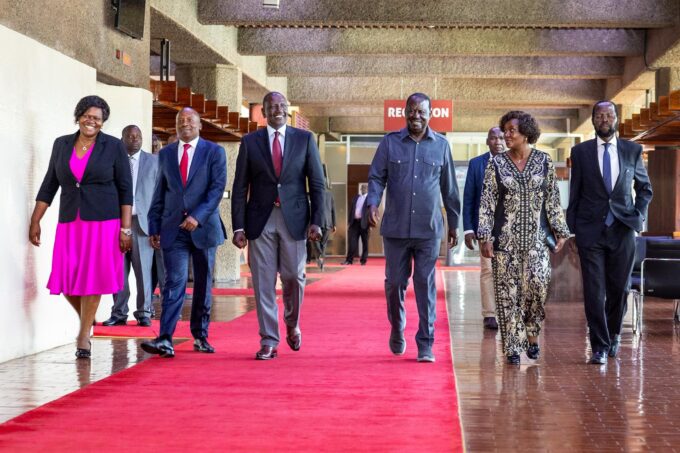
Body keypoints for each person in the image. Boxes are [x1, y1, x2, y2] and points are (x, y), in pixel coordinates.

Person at [29, 95, 133, 359]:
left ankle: (83, 335)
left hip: (103, 223)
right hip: (70, 222)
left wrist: (126, 229)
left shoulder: (113, 146)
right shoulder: (62, 144)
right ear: (78, 117)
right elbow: (49, 184)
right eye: (87, 116)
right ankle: (88, 320)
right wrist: (35, 219)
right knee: (66, 277)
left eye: (97, 118)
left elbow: (126, 189)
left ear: (103, 122)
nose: (91, 121)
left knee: (93, 278)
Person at [367, 92, 460, 363]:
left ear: (430, 114)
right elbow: (376, 177)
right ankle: (397, 327)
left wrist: (454, 224)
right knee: (395, 283)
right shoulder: (390, 143)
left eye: (421, 111)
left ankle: (425, 343)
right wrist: (373, 202)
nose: (415, 116)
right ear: (404, 112)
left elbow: (450, 189)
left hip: (428, 229)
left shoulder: (441, 146)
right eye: (411, 110)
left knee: (424, 283)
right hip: (395, 228)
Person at [232, 91, 325, 360]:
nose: (278, 110)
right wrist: (238, 226)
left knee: (294, 277)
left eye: (282, 105)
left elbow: (317, 184)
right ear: (263, 111)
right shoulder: (250, 142)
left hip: (294, 219)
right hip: (260, 220)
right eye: (272, 106)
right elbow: (240, 187)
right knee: (263, 282)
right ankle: (269, 340)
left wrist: (317, 221)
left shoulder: (304, 139)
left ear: (288, 109)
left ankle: (292, 322)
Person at [478, 111, 570, 365]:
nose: (506, 135)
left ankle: (532, 336)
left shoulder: (544, 161)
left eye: (512, 130)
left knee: (537, 289)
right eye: (505, 130)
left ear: (526, 133)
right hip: (505, 242)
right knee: (508, 294)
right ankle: (512, 347)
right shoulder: (496, 163)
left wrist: (561, 231)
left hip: (537, 242)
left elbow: (552, 199)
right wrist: (485, 236)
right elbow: (487, 202)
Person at [567, 100, 652, 365]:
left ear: (616, 118)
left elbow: (645, 189)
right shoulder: (580, 152)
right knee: (594, 290)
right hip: (590, 231)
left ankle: (614, 334)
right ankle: (599, 347)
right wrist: (572, 231)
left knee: (620, 289)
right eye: (599, 115)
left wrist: (638, 216)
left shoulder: (632, 150)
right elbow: (575, 192)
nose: (604, 119)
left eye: (609, 115)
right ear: (593, 120)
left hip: (623, 230)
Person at [140, 107, 227, 358]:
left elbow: (217, 189)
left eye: (190, 120)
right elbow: (160, 191)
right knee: (173, 282)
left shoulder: (214, 151)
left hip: (204, 228)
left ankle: (200, 335)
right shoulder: (166, 153)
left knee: (202, 283)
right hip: (173, 229)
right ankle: (165, 338)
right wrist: (154, 225)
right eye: (181, 120)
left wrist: (197, 216)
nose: (185, 124)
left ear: (200, 125)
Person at [103, 125, 159, 327]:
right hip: (116, 223)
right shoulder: (112, 161)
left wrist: (157, 226)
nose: (135, 139)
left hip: (142, 225)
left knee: (144, 271)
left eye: (138, 136)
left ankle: (144, 312)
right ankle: (119, 312)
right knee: (117, 270)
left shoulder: (154, 162)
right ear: (122, 138)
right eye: (130, 135)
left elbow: (160, 195)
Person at [463, 127, 505, 330]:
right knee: (488, 270)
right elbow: (469, 197)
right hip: (485, 227)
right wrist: (468, 229)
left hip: (509, 227)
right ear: (487, 141)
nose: (498, 141)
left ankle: (508, 310)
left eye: (501, 138)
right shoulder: (476, 164)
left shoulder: (515, 161)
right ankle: (489, 313)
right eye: (493, 138)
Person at [307, 183, 336, 270]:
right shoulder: (314, 194)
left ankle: (320, 259)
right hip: (318, 223)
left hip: (326, 223)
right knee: (316, 241)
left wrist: (334, 224)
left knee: (322, 243)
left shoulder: (329, 195)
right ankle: (320, 257)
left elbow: (333, 210)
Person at [342, 183, 370, 265]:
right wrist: (349, 222)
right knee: (352, 242)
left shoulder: (370, 198)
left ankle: (363, 260)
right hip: (354, 223)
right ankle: (349, 260)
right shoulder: (356, 197)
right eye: (362, 188)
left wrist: (370, 224)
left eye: (365, 188)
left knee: (365, 243)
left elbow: (371, 211)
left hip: (365, 223)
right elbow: (352, 210)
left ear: (368, 189)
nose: (363, 189)